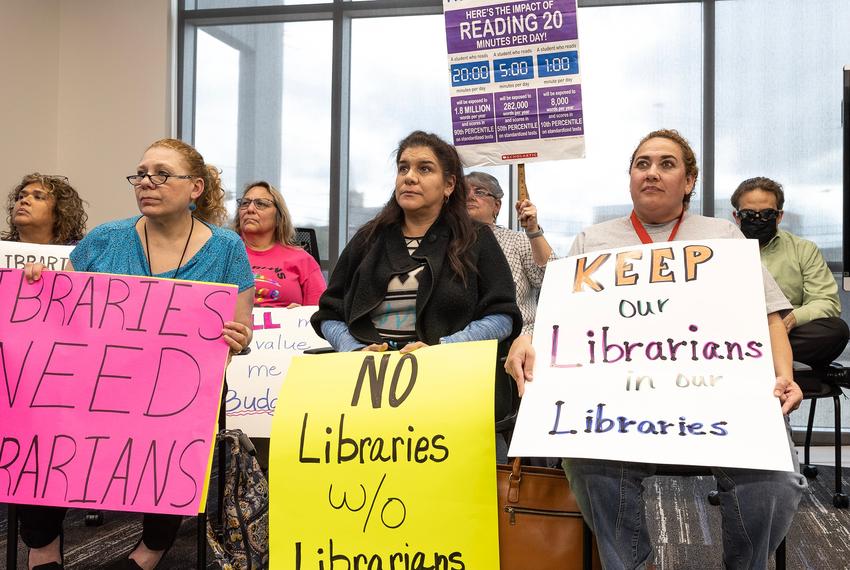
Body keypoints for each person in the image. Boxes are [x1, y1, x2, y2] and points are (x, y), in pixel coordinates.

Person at [505, 129, 806, 570]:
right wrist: (526, 338)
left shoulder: (723, 236)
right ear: (630, 177)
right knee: (587, 467)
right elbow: (558, 321)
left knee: (775, 480)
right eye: (642, 164)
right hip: (622, 406)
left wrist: (785, 377)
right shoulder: (593, 241)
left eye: (667, 164)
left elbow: (769, 317)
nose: (652, 172)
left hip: (715, 400)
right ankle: (627, 564)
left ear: (689, 181)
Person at [21, 138, 254, 570]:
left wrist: (238, 337)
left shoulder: (226, 248)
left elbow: (242, 332)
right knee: (39, 414)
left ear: (196, 188)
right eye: (141, 173)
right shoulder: (105, 239)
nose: (147, 182)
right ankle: (42, 548)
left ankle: (151, 549)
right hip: (96, 384)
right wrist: (40, 284)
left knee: (185, 423)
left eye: (162, 174)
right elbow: (61, 315)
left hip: (173, 392)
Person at [311, 130, 521, 355]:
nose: (409, 177)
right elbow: (329, 314)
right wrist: (353, 349)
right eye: (403, 168)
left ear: (449, 184)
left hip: (446, 374)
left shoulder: (475, 238)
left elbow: (502, 318)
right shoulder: (368, 238)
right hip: (367, 375)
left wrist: (442, 349)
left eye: (424, 168)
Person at [731, 176, 849, 368]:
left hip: (788, 329)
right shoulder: (720, 249)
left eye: (767, 214)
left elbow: (826, 302)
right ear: (736, 217)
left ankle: (745, 356)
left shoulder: (803, 249)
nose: (758, 220)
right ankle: (763, 355)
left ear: (779, 216)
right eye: (749, 215)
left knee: (836, 331)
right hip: (735, 327)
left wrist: (791, 320)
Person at [465, 171, 555, 336]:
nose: (469, 197)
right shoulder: (450, 244)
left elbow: (551, 279)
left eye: (479, 192)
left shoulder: (517, 241)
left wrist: (533, 231)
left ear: (497, 206)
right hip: (463, 343)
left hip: (519, 341)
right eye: (463, 193)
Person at [234, 180, 326, 307]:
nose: (250, 209)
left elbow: (320, 316)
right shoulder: (225, 253)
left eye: (260, 204)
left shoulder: (302, 260)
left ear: (279, 217)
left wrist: (301, 315)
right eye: (245, 203)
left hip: (286, 326)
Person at [3, 173, 87, 245]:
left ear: (60, 211)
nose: (24, 201)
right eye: (20, 197)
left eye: (38, 197)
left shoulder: (80, 254)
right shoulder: (3, 250)